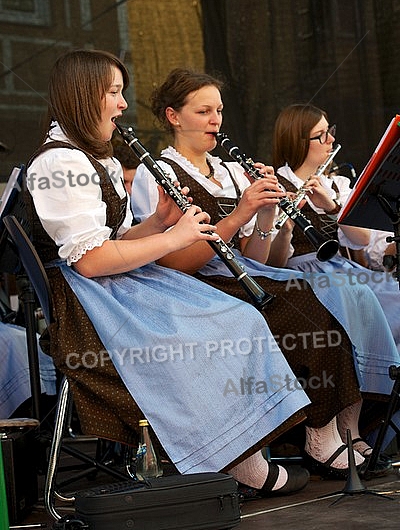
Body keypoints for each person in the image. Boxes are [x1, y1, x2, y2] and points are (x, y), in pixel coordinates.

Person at [24, 48, 316, 498]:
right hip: (87, 302)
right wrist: (175, 238)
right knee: (224, 324)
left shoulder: (91, 156)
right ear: (84, 96)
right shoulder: (58, 164)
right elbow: (89, 258)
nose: (123, 104)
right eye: (114, 93)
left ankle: (240, 456)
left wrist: (158, 222)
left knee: (236, 315)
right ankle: (233, 462)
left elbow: (116, 238)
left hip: (111, 285)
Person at [132, 67, 399, 480]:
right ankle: (312, 433)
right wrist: (241, 211)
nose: (216, 120)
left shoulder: (231, 171)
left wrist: (269, 213)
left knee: (312, 294)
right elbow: (174, 261)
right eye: (204, 111)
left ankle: (337, 427)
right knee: (297, 302)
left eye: (218, 110)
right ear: (173, 116)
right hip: (193, 284)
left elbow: (262, 258)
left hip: (242, 272)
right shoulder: (157, 173)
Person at [271, 103, 400, 349]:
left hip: (341, 268)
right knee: (362, 298)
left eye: (329, 130)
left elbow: (362, 240)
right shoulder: (276, 185)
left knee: (394, 291)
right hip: (303, 276)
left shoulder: (337, 184)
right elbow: (273, 261)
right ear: (298, 142)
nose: (331, 139)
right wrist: (285, 226)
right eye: (321, 135)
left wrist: (332, 207)